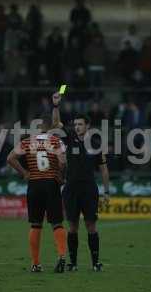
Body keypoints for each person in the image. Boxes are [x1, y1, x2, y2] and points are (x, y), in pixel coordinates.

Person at [52, 92, 110, 272]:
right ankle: (73, 263)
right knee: (72, 226)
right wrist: (55, 106)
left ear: (88, 126)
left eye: (80, 124)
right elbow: (55, 124)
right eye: (75, 124)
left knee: (91, 225)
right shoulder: (69, 139)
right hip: (70, 189)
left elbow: (103, 169)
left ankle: (95, 263)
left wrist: (107, 192)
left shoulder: (96, 143)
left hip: (89, 189)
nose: (76, 127)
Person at [7, 114, 67, 273]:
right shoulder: (55, 141)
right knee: (57, 223)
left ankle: (35, 263)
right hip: (51, 183)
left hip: (34, 185)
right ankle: (61, 256)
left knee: (35, 224)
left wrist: (24, 172)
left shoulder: (27, 142)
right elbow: (62, 161)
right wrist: (60, 175)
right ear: (49, 127)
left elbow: (10, 158)